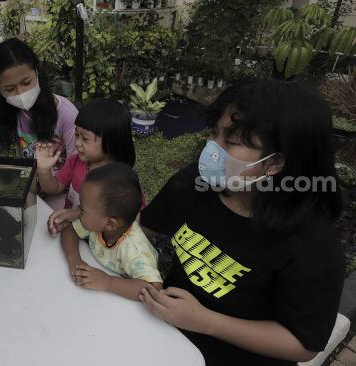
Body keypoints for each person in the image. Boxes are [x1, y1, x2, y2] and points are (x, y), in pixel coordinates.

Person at [138, 80, 344, 365]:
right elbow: (142, 230)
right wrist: (97, 218)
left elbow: (303, 343)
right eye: (214, 133)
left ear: (276, 163)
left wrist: (205, 321)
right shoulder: (194, 184)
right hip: (165, 337)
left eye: (231, 142)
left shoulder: (311, 243)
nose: (212, 148)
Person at [60, 163, 162, 300]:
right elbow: (70, 231)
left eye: (82, 208)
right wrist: (74, 259)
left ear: (110, 224)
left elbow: (153, 288)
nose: (77, 210)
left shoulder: (135, 249)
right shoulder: (97, 223)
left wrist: (107, 282)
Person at [0, 38, 78, 166]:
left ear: (37, 72)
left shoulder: (67, 115)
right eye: (10, 89)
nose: (20, 93)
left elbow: (78, 169)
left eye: (26, 82)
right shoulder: (7, 111)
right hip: (26, 184)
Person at [35, 98, 139, 209]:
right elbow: (54, 188)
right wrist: (43, 170)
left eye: (85, 138)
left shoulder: (122, 182)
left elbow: (128, 219)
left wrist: (76, 216)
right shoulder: (75, 161)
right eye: (76, 135)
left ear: (110, 143)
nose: (77, 143)